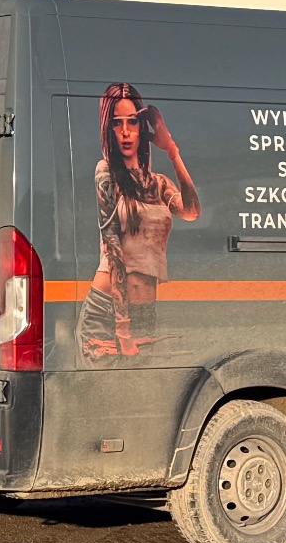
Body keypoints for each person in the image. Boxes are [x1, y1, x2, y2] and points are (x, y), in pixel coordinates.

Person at [82, 83, 200, 363]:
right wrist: (123, 330)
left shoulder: (158, 184)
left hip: (146, 312)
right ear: (107, 129)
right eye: (117, 123)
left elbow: (192, 211)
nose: (125, 132)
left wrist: (172, 150)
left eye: (133, 122)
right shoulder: (106, 172)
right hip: (109, 313)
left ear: (142, 126)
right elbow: (113, 247)